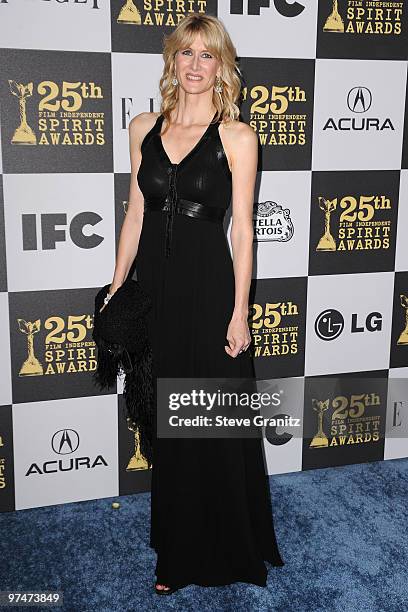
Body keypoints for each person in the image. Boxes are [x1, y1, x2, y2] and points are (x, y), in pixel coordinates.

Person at [106, 13, 284, 594]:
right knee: (167, 417)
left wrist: (240, 311)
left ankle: (229, 542)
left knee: (209, 418)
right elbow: (136, 213)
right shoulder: (142, 128)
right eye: (186, 53)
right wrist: (116, 284)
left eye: (207, 56)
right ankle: (177, 541)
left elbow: (244, 232)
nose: (195, 66)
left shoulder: (237, 137)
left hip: (209, 291)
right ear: (172, 60)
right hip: (155, 291)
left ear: (222, 66)